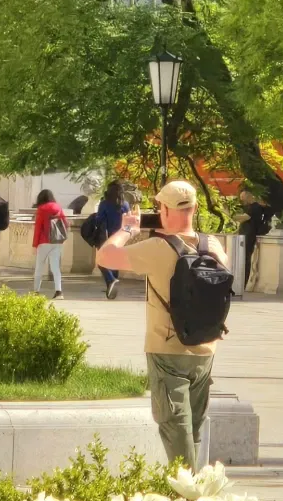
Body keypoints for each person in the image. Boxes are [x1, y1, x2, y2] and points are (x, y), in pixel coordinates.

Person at [96, 179, 230, 471]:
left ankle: (188, 497)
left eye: (159, 207)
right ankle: (192, 492)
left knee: (174, 428)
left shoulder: (158, 247)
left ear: (166, 211)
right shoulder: (215, 246)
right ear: (194, 208)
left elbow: (104, 256)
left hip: (166, 349)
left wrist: (128, 230)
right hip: (205, 349)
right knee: (193, 429)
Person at [85, 180, 130, 301]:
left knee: (100, 261)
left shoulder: (105, 204)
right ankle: (112, 287)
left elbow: (99, 220)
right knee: (115, 261)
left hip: (106, 237)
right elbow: (128, 220)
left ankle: (111, 280)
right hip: (121, 236)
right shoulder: (125, 204)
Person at [30, 187, 69, 298]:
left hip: (43, 242)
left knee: (39, 267)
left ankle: (36, 292)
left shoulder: (41, 209)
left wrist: (34, 245)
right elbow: (65, 223)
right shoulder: (58, 208)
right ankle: (59, 291)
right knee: (55, 267)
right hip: (57, 241)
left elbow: (38, 228)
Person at [239, 197, 274, 293]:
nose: (242, 198)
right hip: (247, 235)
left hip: (249, 235)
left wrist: (229, 214)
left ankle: (242, 284)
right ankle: (242, 283)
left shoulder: (255, 207)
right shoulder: (256, 207)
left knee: (245, 259)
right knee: (244, 259)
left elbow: (244, 218)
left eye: (243, 196)